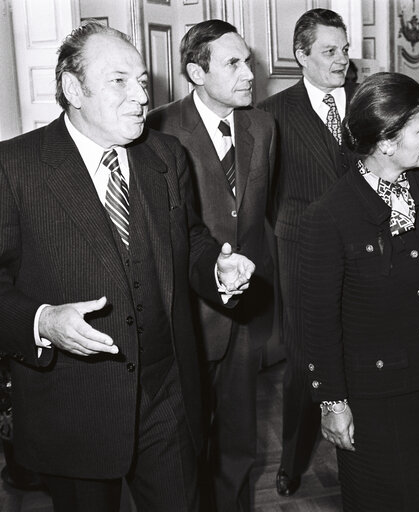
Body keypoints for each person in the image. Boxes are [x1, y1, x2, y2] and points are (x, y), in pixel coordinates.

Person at [0, 22, 255, 512]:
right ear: (73, 89)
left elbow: (191, 239)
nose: (140, 96)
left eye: (142, 81)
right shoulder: (12, 167)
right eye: (120, 81)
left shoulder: (165, 155)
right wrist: (42, 320)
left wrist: (216, 269)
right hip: (77, 407)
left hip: (169, 394)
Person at [301, 71, 419, 512]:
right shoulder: (330, 216)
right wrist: (332, 402)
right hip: (376, 399)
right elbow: (317, 321)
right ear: (385, 142)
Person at [146, 20, 275, 511]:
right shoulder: (156, 129)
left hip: (241, 318)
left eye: (249, 61)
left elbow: (255, 219)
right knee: (183, 446)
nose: (250, 74)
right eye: (234, 64)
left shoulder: (263, 126)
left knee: (240, 442)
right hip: (182, 318)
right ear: (196, 73)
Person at [256, 8, 356, 496]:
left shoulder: (364, 103)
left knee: (363, 347)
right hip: (300, 252)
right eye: (330, 51)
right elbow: (261, 194)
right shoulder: (273, 114)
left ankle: (363, 457)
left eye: (345, 49)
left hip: (366, 251)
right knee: (304, 359)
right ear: (302, 56)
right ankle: (292, 461)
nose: (342, 60)